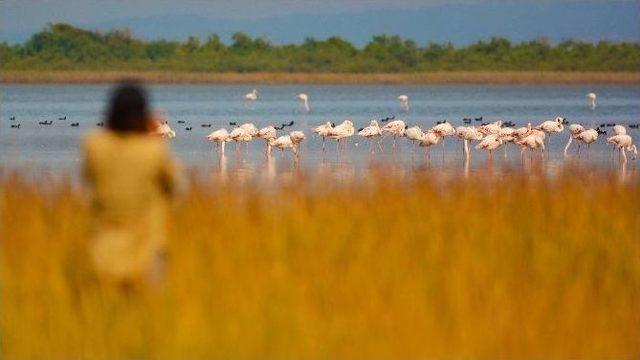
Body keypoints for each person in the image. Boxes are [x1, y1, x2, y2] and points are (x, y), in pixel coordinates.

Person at [82, 81, 182, 288]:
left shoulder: (93, 145)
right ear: (144, 115)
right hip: (146, 253)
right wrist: (155, 135)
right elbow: (175, 187)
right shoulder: (154, 150)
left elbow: (88, 179)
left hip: (104, 252)